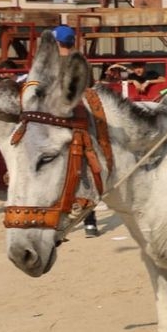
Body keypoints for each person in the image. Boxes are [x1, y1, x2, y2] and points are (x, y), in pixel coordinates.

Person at [53, 25, 100, 239]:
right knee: (82, 168)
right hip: (81, 121)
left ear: (57, 43)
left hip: (61, 122)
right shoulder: (81, 63)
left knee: (61, 172)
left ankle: (65, 222)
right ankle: (90, 222)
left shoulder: (53, 65)